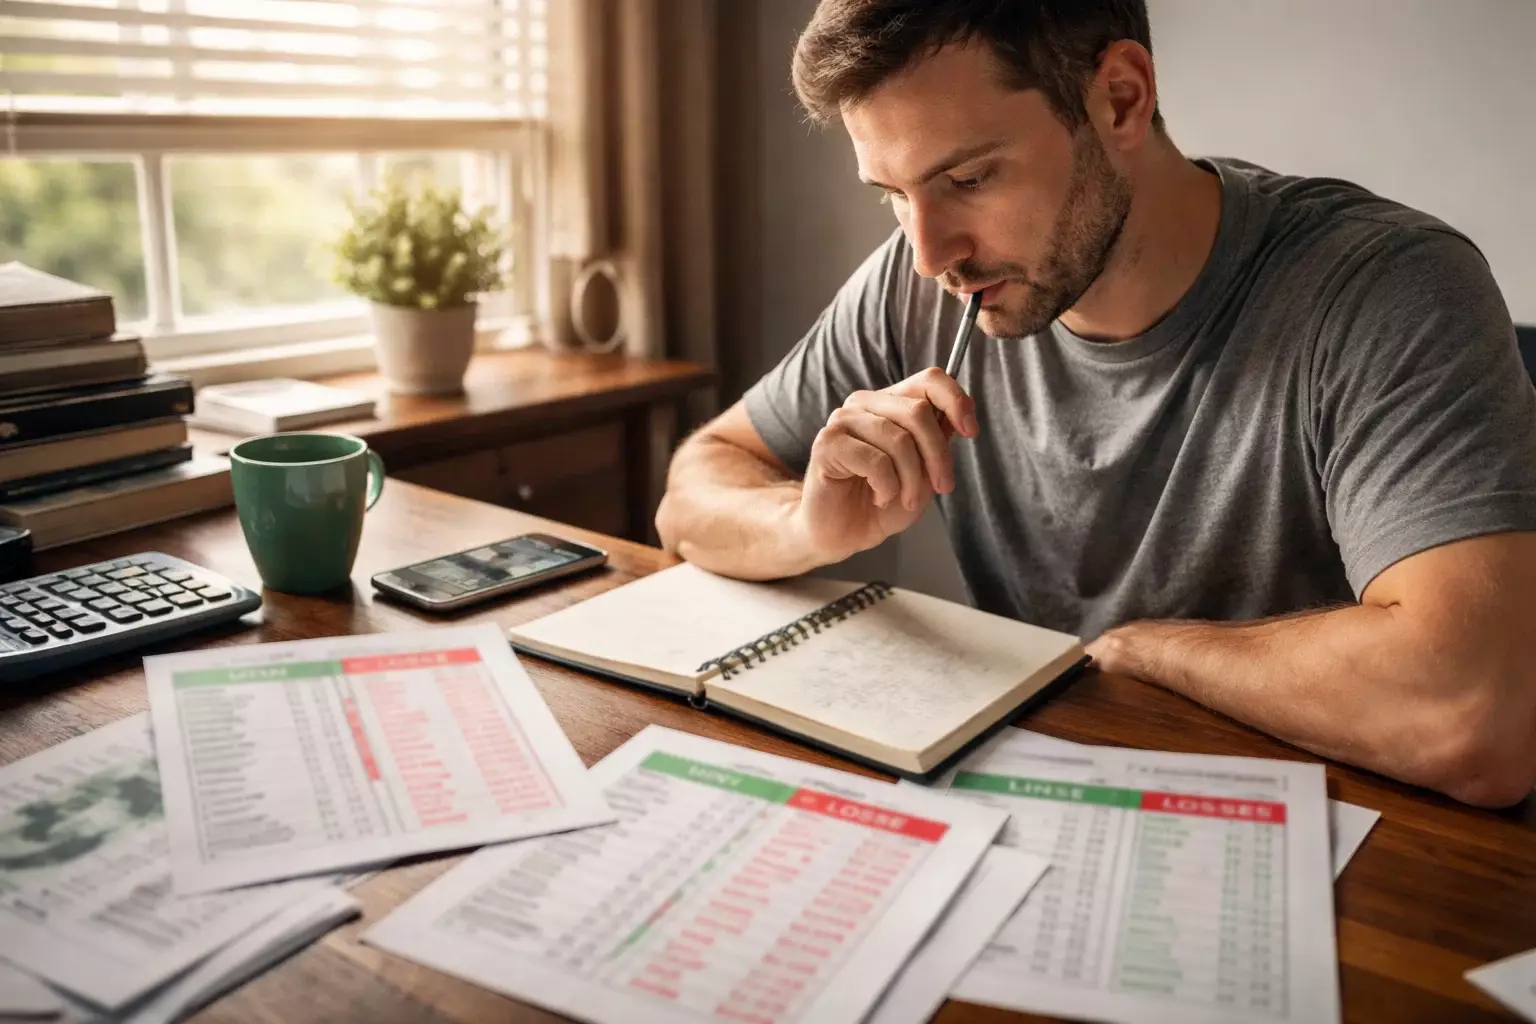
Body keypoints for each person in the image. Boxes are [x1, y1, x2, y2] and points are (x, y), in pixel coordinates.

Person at [656, 0, 1536, 807]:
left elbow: (1476, 717)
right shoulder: (920, 285)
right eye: (894, 195)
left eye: (968, 178)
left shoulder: (1383, 290)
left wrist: (1141, 649)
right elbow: (696, 486)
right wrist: (807, 527)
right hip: (1054, 805)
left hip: (1362, 863)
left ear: (1120, 98)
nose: (928, 251)